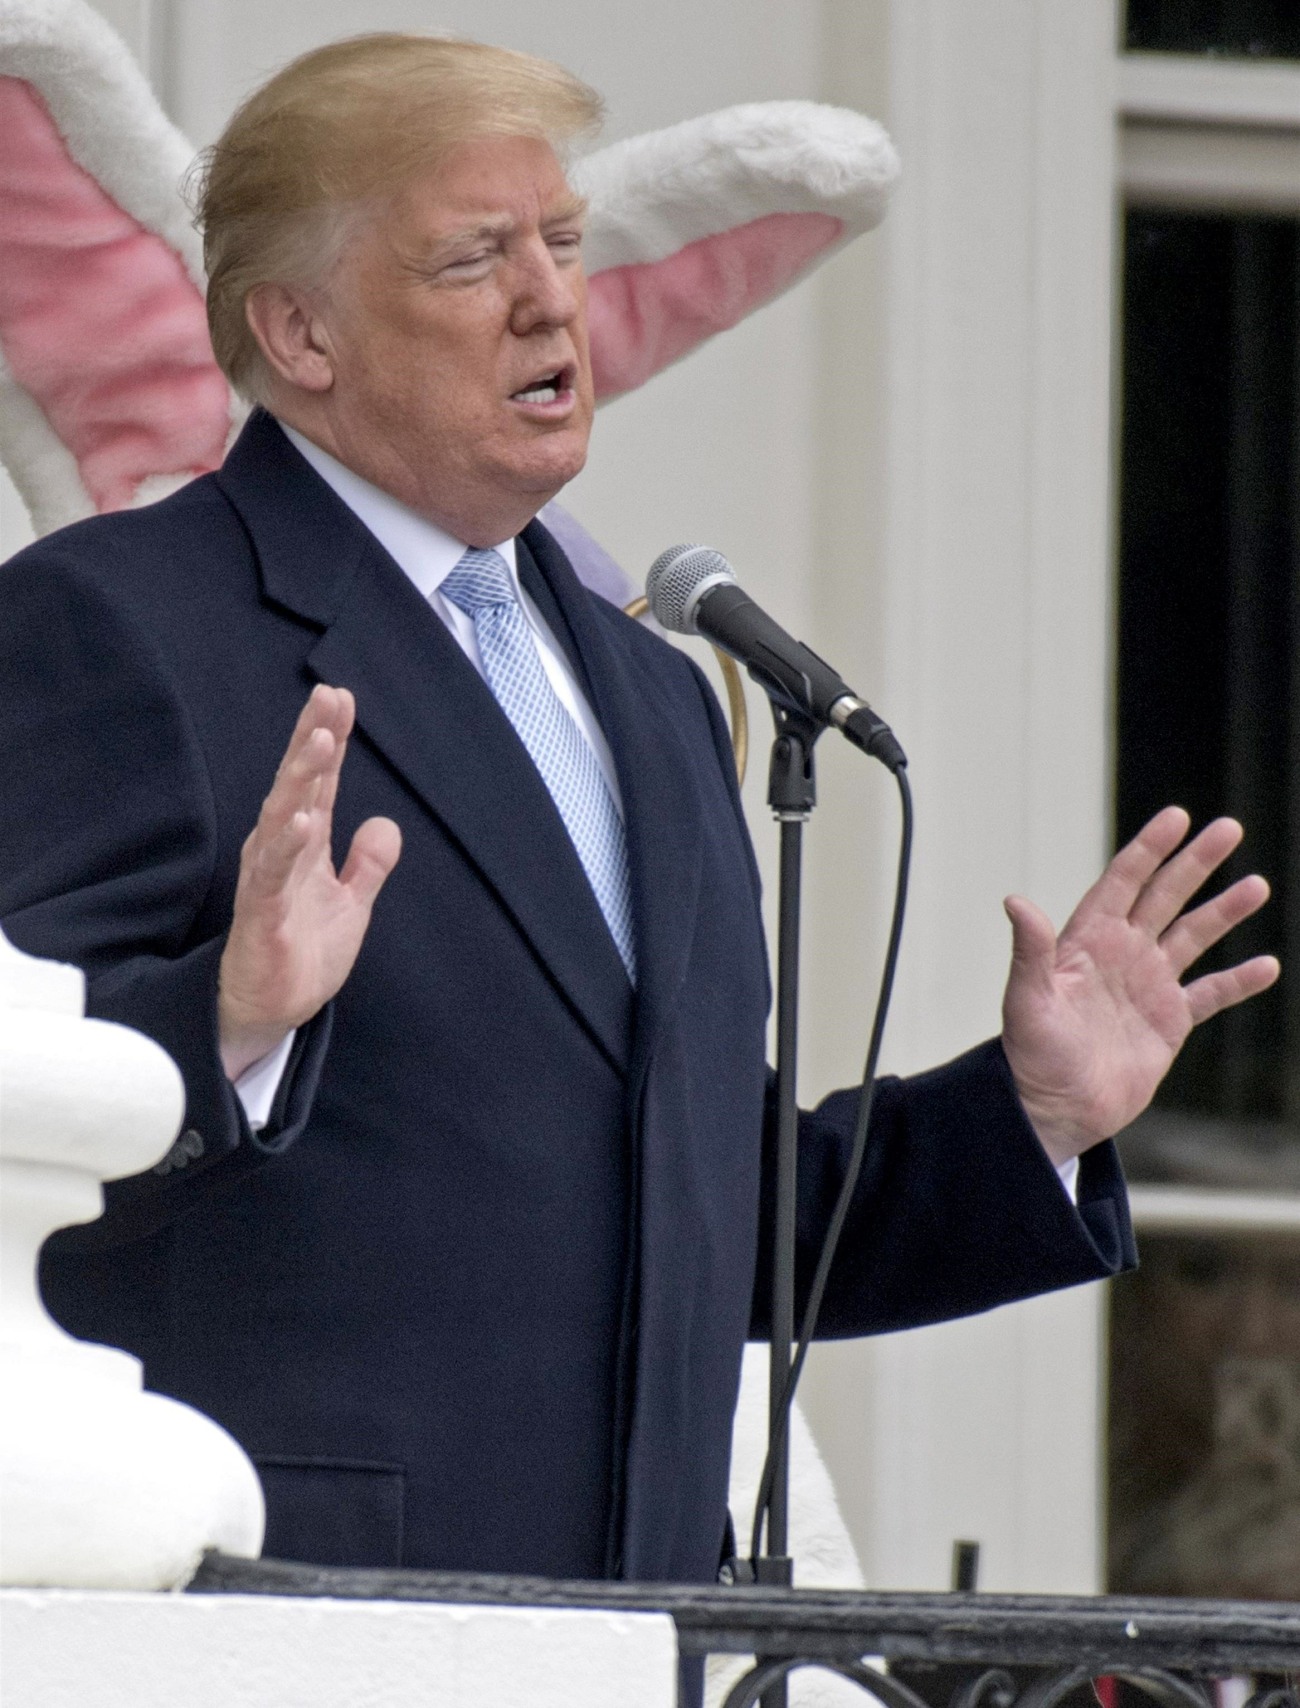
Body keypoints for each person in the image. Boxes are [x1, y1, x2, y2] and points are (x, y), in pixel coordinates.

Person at [0, 35, 1278, 1594]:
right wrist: (225, 1018)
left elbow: (697, 1205)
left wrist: (1032, 1116)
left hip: (634, 1624)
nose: (551, 301)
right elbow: (18, 1124)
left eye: (562, 242)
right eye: (475, 258)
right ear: (300, 331)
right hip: (296, 1614)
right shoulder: (117, 622)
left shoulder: (659, 695)